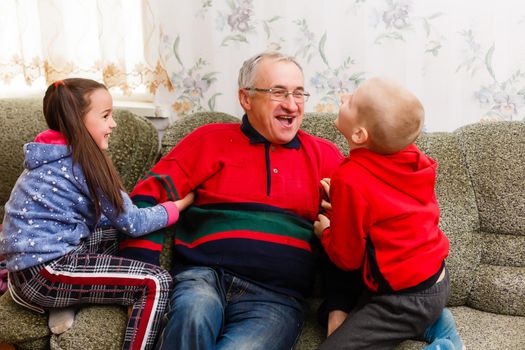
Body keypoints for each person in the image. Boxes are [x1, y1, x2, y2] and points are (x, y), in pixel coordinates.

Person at [118, 51, 345, 350]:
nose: (292, 105)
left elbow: (347, 236)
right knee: (193, 316)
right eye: (278, 93)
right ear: (246, 98)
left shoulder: (326, 157)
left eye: (299, 93)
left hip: (276, 296)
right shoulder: (208, 140)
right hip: (204, 277)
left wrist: (338, 308)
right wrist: (140, 281)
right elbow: (148, 199)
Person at [0, 78, 194, 350]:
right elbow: (134, 223)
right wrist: (177, 206)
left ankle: (64, 298)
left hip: (27, 267)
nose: (113, 124)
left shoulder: (49, 155)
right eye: (105, 116)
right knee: (156, 281)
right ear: (77, 122)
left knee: (111, 232)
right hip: (44, 273)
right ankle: (54, 297)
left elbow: (105, 220)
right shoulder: (86, 164)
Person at [313, 77, 464, 349]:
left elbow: (347, 258)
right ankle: (433, 320)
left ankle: (440, 337)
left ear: (359, 134)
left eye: (352, 100)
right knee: (337, 315)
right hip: (436, 281)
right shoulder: (412, 157)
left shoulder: (350, 179)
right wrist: (346, 205)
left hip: (404, 299)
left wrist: (326, 231)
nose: (343, 97)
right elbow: (388, 211)